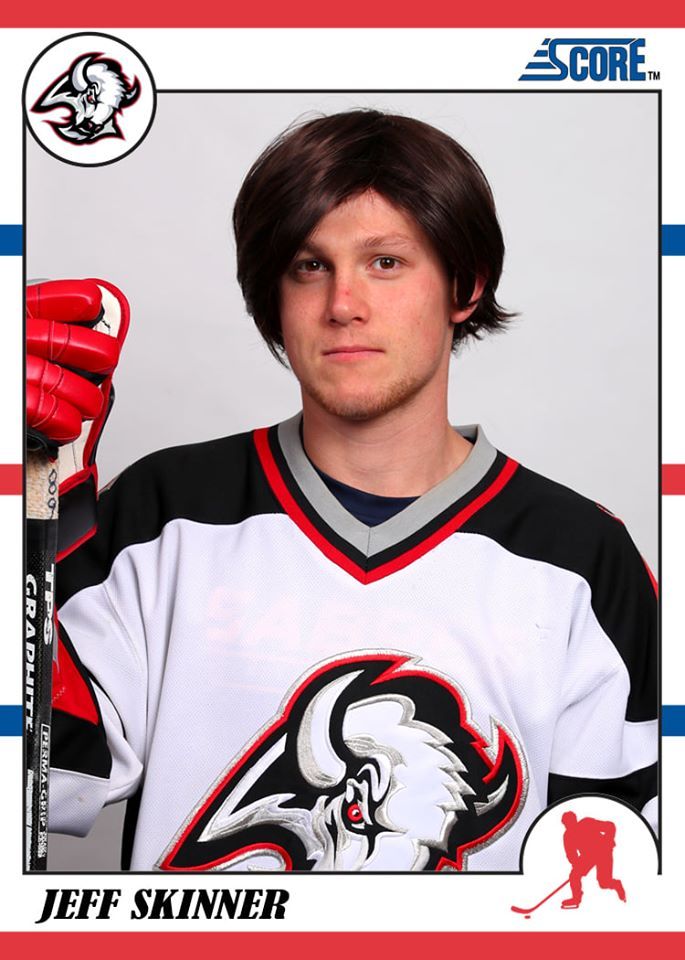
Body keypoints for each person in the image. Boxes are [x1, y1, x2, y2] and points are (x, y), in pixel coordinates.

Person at [27, 109, 657, 872]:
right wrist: (29, 510)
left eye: (385, 263)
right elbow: (45, 777)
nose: (342, 304)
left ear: (465, 286)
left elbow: (621, 880)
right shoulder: (162, 512)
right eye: (308, 265)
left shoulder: (581, 560)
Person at [560, 811, 626, 908]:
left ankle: (617, 885)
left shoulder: (587, 823)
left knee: (604, 883)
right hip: (587, 856)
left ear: (575, 820)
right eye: (565, 823)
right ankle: (576, 898)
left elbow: (610, 826)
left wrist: (607, 840)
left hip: (603, 852)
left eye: (569, 822)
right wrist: (576, 864)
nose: (568, 825)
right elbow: (571, 854)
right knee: (574, 875)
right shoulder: (567, 836)